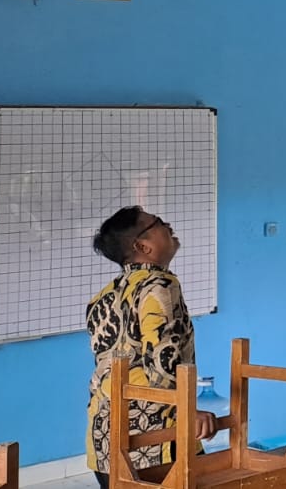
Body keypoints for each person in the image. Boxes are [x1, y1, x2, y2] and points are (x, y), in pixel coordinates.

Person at [86, 207, 217, 489]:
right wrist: (188, 411)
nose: (168, 224)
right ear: (142, 246)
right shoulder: (161, 284)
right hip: (153, 442)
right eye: (157, 223)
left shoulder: (104, 295)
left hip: (104, 438)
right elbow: (162, 361)